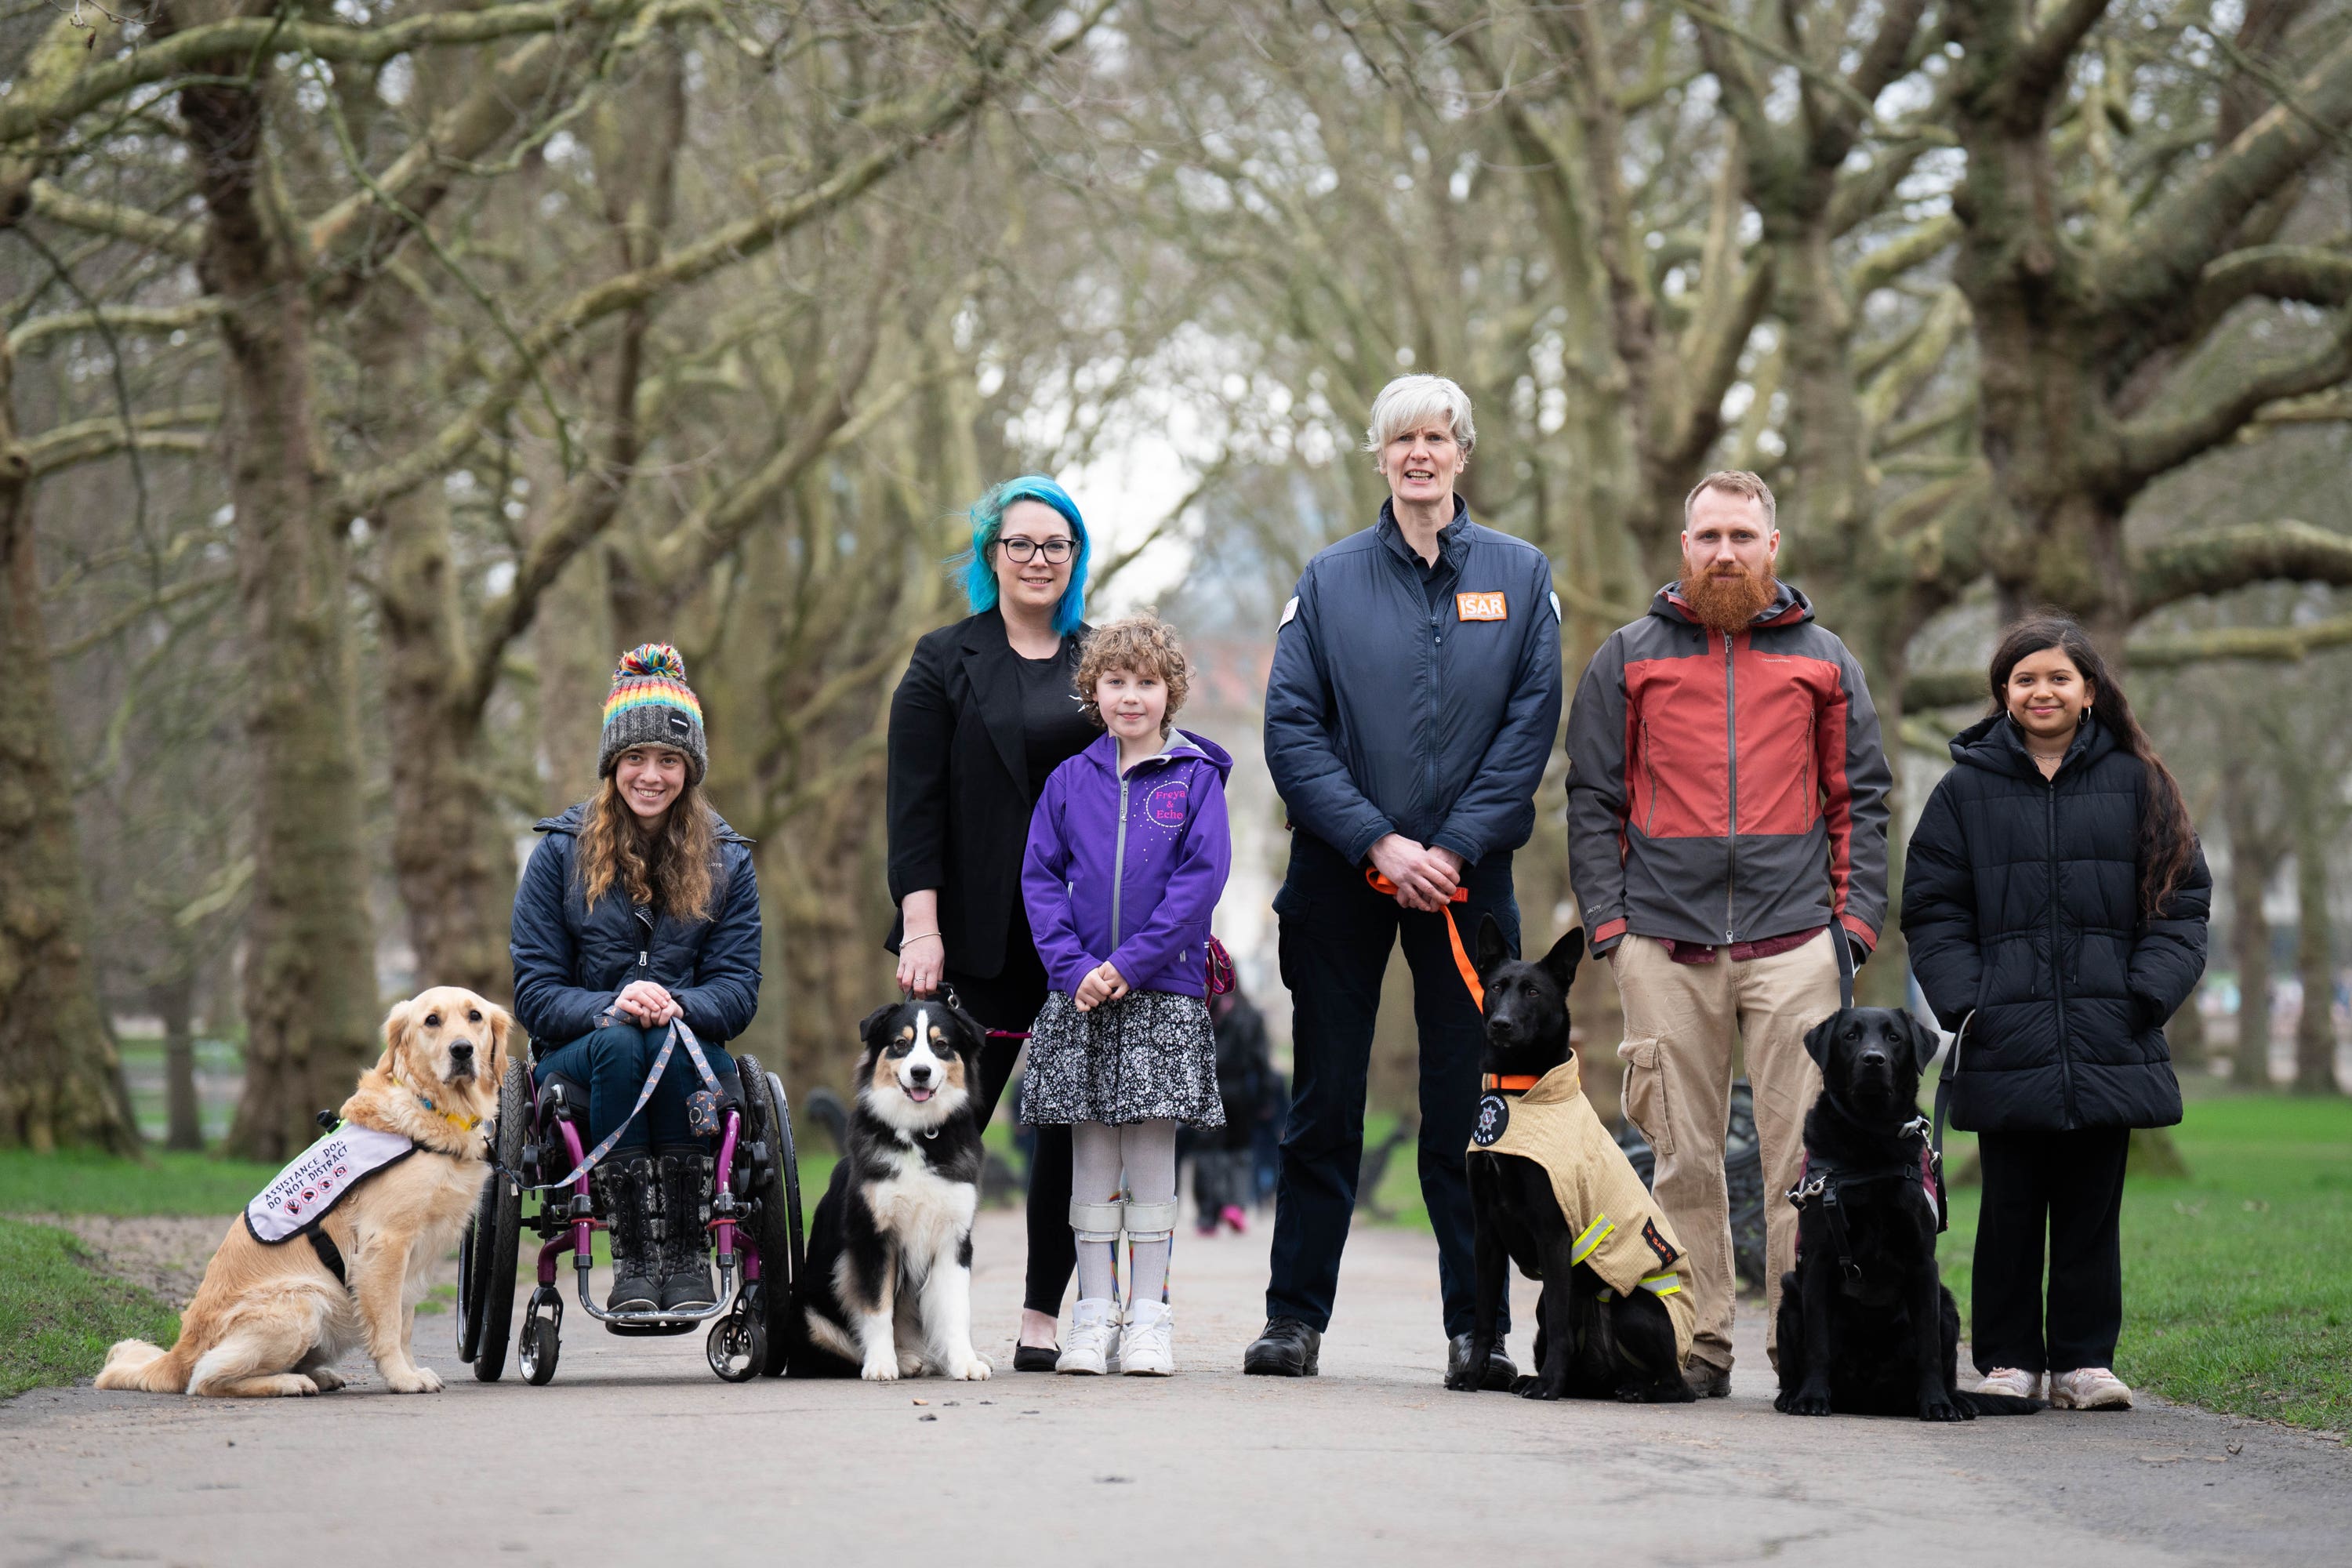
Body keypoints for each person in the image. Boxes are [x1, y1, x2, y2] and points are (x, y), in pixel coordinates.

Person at [1252, 373, 1563, 1384]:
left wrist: (1454, 848)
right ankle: (1294, 1319)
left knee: (1463, 1111)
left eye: (1436, 437)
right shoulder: (1329, 578)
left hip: (1469, 887)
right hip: (1344, 874)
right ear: (1379, 457)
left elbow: (1528, 734)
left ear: (1462, 453)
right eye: (1401, 439)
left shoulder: (1521, 576)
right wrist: (1379, 843)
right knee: (1325, 1105)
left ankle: (1478, 1331)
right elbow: (1291, 730)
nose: (1419, 454)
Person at [1563, 470, 1890, 1396]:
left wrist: (1852, 928)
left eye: (1742, 536)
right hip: (1664, 940)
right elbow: (1592, 799)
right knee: (1683, 1156)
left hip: (1796, 943)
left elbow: (1860, 799)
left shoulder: (1826, 658)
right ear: (1685, 545)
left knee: (1801, 1161)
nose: (1725, 552)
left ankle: (1804, 1345)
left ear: (1772, 547)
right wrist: (1613, 928)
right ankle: (1699, 1342)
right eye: (1709, 536)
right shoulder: (1628, 654)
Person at [1902, 616, 2209, 1410]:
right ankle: (2008, 1358)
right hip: (2005, 1034)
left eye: (2059, 677)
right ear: (2004, 691)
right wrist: (1970, 1002)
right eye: (2026, 677)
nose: (2043, 689)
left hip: (2113, 1035)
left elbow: (2181, 903)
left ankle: (2084, 1361)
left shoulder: (2142, 781)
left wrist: (2145, 994)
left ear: (2089, 690)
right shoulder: (1963, 790)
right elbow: (1932, 911)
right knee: (2007, 1207)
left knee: (2089, 1209)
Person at [886, 475, 1095, 1370]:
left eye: (1057, 545)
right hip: (971, 938)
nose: (1039, 559)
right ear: (991, 556)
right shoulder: (943, 659)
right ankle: (892, 1308)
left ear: (1075, 559)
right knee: (931, 1132)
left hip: (1082, 942)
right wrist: (921, 927)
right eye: (1021, 544)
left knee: (1065, 1132)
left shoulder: (1103, 659)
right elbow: (914, 805)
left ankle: (1042, 1315)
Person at [512, 644, 762, 1315]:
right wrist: (612, 1003)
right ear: (612, 765)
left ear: (691, 768)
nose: (651, 775)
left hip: (688, 1047)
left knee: (668, 1042)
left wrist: (675, 1003)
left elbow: (738, 990)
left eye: (669, 760)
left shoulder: (729, 863)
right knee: (624, 1043)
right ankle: (635, 1259)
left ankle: (683, 1255)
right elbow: (535, 993)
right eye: (636, 759)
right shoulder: (557, 857)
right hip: (584, 1053)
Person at [1020, 615, 1233, 1376]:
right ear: (1094, 690)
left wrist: (1130, 964)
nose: (1131, 696)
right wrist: (1073, 965)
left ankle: (1149, 1315)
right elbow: (1040, 879)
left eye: (1146, 682)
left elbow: (1198, 883)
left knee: (1149, 1163)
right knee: (1090, 1167)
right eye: (1116, 681)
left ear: (1170, 689)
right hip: (1080, 997)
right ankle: (1092, 1313)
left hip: (1161, 995)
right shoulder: (1068, 782)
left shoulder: (1196, 778)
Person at [1194, 988, 1276, 1236]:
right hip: (1241, 1092)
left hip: (1208, 1090)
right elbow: (1261, 1059)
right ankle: (1236, 1205)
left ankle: (1208, 1213)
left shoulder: (1203, 1008)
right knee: (1240, 1149)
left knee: (1208, 1150)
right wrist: (1266, 1096)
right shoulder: (1250, 1015)